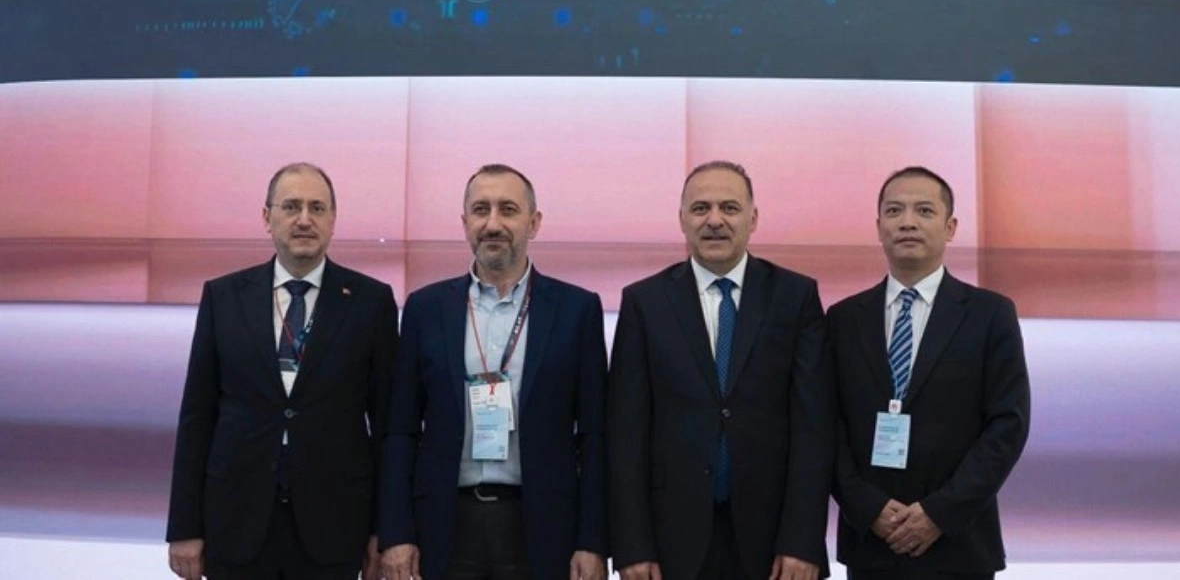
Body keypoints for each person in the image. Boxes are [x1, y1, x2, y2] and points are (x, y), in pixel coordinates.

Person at [166, 162, 399, 580]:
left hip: (334, 527)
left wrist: (385, 529)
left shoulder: (371, 302)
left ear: (333, 219)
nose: (304, 219)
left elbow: (387, 427)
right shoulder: (223, 297)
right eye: (291, 206)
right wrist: (185, 526)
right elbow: (197, 417)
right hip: (235, 524)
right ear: (266, 217)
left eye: (317, 208)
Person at [379, 164, 608, 580]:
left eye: (508, 209)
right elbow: (401, 430)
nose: (493, 224)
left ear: (534, 222)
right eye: (481, 210)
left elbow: (594, 435)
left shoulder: (578, 310)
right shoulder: (425, 309)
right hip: (445, 524)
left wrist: (592, 541)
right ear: (465, 222)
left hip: (544, 525)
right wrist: (396, 533)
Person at [609, 161, 832, 580]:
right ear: (682, 219)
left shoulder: (795, 296)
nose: (714, 220)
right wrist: (633, 546)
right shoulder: (644, 302)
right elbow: (627, 433)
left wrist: (802, 541)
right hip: (672, 541)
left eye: (729, 207)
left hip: (774, 543)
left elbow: (813, 429)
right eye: (701, 208)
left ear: (753, 218)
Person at [828, 166, 1031, 580]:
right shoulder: (843, 319)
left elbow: (1007, 425)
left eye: (924, 210)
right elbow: (825, 425)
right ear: (879, 227)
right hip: (872, 545)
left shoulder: (990, 314)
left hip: (959, 544)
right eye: (894, 211)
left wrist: (939, 513)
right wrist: (868, 508)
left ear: (950, 227)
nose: (907, 222)